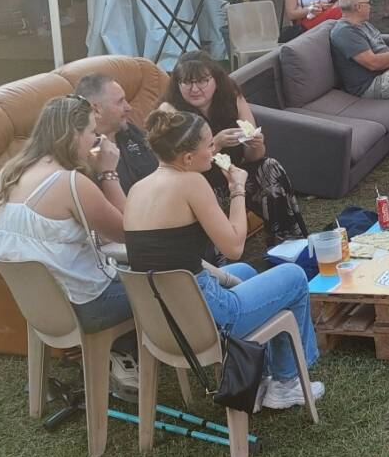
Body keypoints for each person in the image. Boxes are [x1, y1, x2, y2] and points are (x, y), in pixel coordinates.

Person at [124, 108, 323, 411]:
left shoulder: (138, 189)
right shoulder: (191, 183)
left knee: (244, 272)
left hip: (161, 324)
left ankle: (259, 378)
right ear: (187, 158)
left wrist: (224, 275)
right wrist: (237, 188)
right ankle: (287, 382)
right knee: (293, 276)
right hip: (205, 323)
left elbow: (167, 258)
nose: (214, 150)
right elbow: (234, 246)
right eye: (209, 145)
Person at [0, 95, 138, 395]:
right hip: (86, 307)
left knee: (120, 266)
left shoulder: (9, 173)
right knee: (162, 285)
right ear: (73, 135)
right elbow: (129, 232)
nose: (96, 140)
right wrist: (108, 171)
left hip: (40, 308)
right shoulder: (69, 184)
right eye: (92, 132)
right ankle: (131, 355)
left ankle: (119, 354)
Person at [161, 52, 307, 247]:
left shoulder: (231, 96)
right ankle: (220, 256)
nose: (194, 89)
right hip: (198, 183)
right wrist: (216, 144)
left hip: (235, 175)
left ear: (216, 79)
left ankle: (287, 241)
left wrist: (256, 144)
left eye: (202, 81)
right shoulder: (170, 111)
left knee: (270, 167)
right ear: (177, 84)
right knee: (206, 190)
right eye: (186, 82)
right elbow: (176, 167)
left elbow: (255, 157)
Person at [74, 74, 158, 196]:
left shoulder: (129, 131)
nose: (129, 107)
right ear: (96, 110)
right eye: (120, 102)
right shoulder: (86, 154)